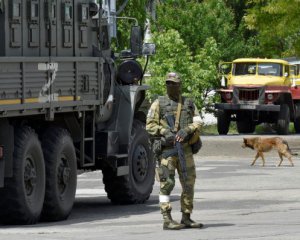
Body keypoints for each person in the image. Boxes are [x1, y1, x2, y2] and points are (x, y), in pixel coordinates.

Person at [146, 72, 203, 230]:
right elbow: (149, 125)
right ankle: (167, 218)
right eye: (168, 83)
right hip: (167, 151)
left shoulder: (188, 103)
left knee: (189, 183)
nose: (170, 86)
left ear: (180, 85)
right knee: (167, 184)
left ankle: (186, 217)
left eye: (174, 83)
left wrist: (187, 129)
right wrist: (164, 132)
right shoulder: (159, 103)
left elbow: (198, 121)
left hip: (185, 150)